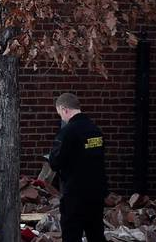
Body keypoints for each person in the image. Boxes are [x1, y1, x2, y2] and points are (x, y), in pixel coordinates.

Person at [47, 93, 107, 242]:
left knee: (71, 234)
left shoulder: (67, 132)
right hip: (96, 192)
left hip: (75, 193)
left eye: (60, 113)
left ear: (64, 109)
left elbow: (55, 162)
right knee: (96, 233)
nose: (61, 117)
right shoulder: (94, 130)